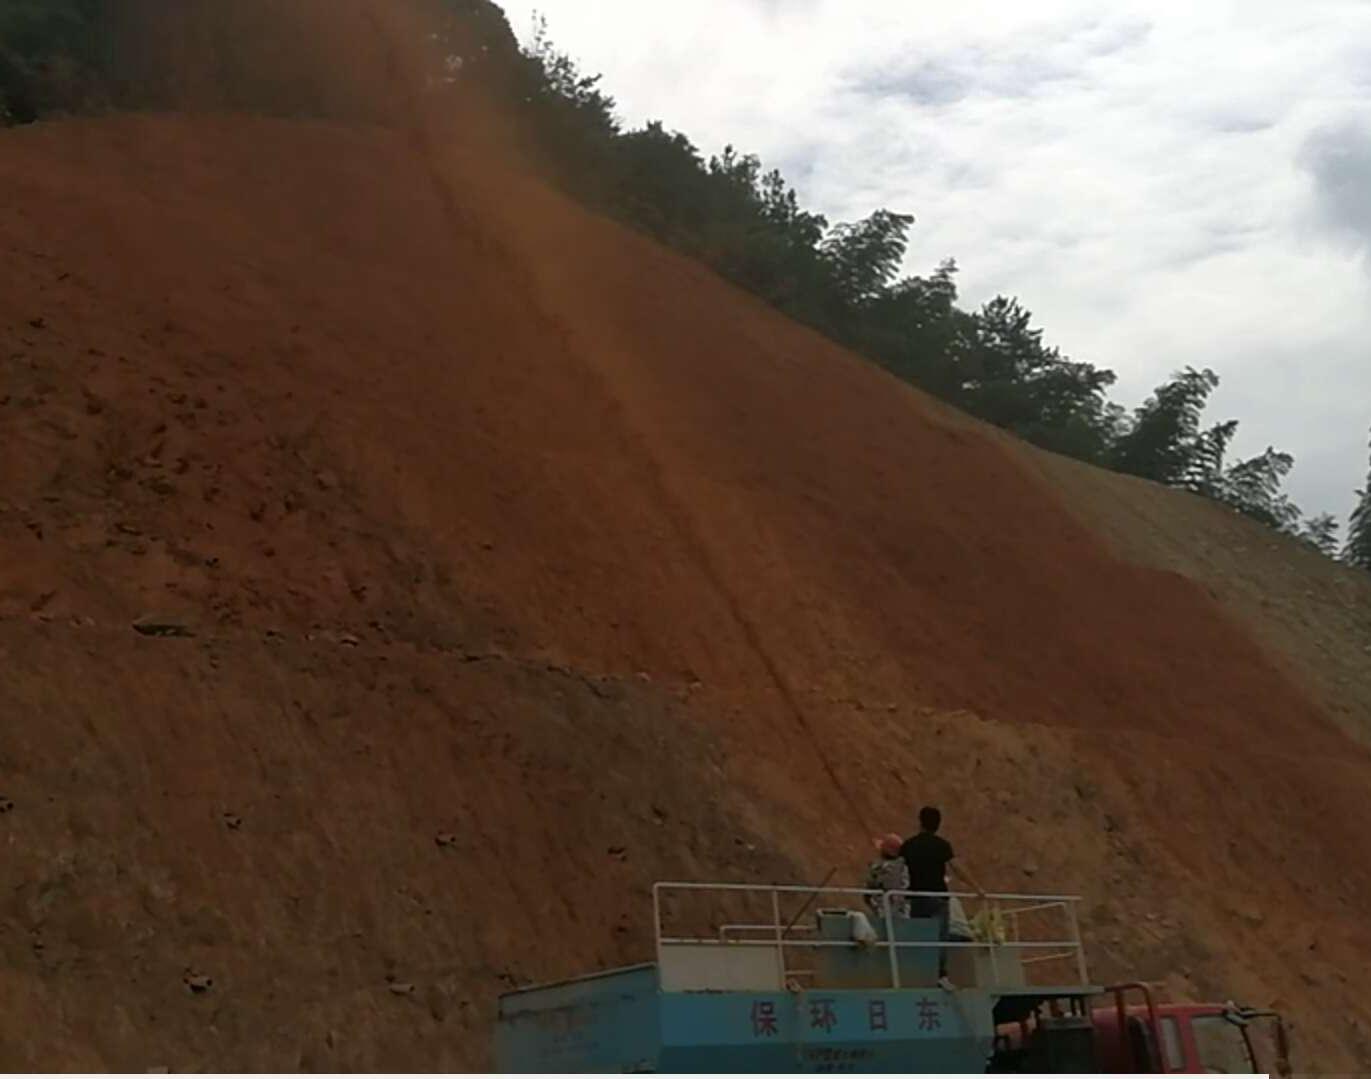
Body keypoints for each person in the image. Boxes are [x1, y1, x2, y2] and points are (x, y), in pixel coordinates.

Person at [901, 806, 984, 984]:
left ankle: (919, 974)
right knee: (940, 937)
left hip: (916, 898)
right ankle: (940, 975)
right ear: (938, 825)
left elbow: (900, 870)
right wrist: (976, 887)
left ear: (920, 822)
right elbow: (957, 868)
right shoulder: (942, 845)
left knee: (919, 936)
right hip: (938, 897)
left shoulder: (909, 845)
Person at [864, 833, 911, 921]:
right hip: (902, 913)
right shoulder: (904, 867)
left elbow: (868, 889)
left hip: (882, 911)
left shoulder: (877, 867)